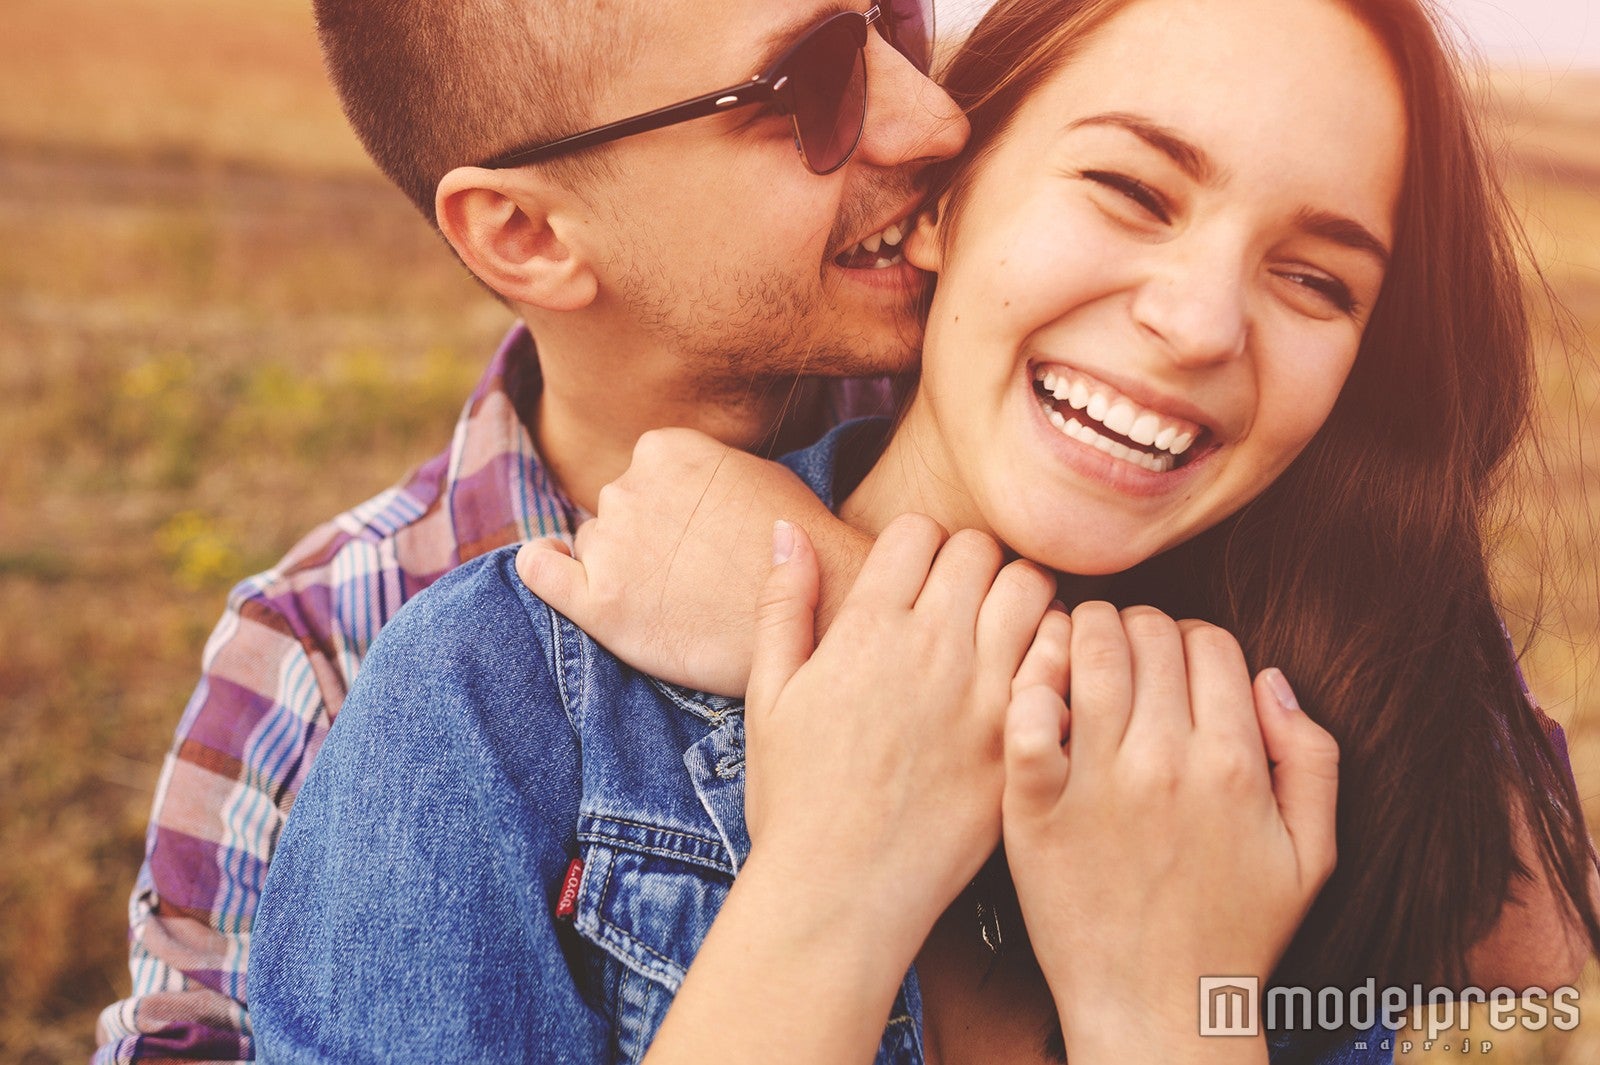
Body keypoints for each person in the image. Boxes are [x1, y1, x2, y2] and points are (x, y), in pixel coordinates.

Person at [251, 0, 1598, 1061]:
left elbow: (1541, 970)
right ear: (938, 207)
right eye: (1130, 190)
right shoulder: (486, 701)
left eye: (1317, 278)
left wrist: (1172, 1017)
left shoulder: (1293, 737)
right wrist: (836, 882)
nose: (1201, 324)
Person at [94, 1, 966, 1061]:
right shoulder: (320, 655)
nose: (932, 119)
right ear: (529, 234)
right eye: (812, 83)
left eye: (901, 23)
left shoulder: (1044, 454)